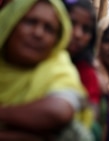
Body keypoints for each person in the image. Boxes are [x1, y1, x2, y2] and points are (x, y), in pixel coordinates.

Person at [0, 0, 93, 140]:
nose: (38, 33)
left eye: (49, 28)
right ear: (10, 21)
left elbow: (58, 111)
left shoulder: (58, 67)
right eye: (30, 22)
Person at [62, 0, 102, 140]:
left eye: (86, 29)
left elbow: (91, 119)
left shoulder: (87, 72)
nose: (78, 34)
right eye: (72, 23)